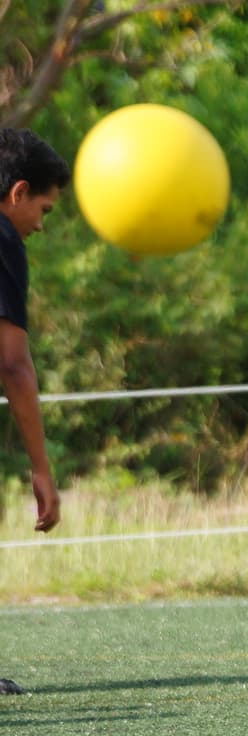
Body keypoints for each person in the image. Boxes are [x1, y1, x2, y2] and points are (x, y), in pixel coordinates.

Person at [1, 128, 70, 695]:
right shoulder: (2, 238)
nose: (42, 224)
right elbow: (14, 365)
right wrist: (42, 468)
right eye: (43, 209)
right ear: (18, 192)